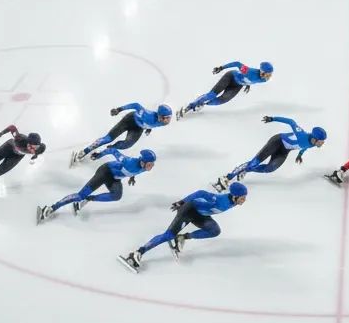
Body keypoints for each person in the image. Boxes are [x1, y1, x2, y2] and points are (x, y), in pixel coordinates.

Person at [117, 182, 247, 271]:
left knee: (215, 230)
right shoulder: (220, 200)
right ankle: (137, 253)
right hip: (188, 210)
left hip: (200, 215)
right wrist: (182, 202)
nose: (244, 200)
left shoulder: (233, 202)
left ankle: (182, 238)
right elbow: (200, 193)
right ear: (235, 196)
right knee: (168, 235)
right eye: (242, 198)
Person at [36, 148, 156, 223]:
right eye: (150, 164)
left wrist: (132, 177)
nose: (151, 167)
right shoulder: (129, 162)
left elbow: (136, 171)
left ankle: (89, 199)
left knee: (117, 196)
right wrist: (99, 155)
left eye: (152, 164)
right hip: (104, 172)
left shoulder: (144, 168)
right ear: (143, 161)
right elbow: (113, 150)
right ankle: (51, 208)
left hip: (115, 178)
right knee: (79, 195)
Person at [215, 115, 326, 191]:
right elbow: (291, 122)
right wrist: (272, 118)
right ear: (315, 138)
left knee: (270, 168)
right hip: (277, 142)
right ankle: (227, 177)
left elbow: (304, 147)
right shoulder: (302, 135)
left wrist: (300, 155)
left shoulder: (312, 144)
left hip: (284, 150)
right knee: (254, 162)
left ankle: (245, 170)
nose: (321, 144)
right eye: (321, 142)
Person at [69, 102, 172, 167]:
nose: (167, 120)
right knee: (108, 138)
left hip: (138, 128)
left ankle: (110, 148)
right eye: (165, 118)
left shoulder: (163, 123)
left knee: (127, 144)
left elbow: (153, 125)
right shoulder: (147, 115)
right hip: (129, 120)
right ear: (159, 115)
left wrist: (149, 129)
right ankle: (84, 151)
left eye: (169, 118)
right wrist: (119, 109)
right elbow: (136, 105)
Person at [177, 61, 274, 118]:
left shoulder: (264, 80)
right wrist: (221, 68)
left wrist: (248, 84)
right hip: (230, 77)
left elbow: (252, 80)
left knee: (222, 100)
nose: (269, 77)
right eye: (267, 74)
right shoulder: (250, 71)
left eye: (270, 74)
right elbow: (237, 64)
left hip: (237, 86)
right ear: (261, 71)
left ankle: (202, 103)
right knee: (212, 95)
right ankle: (189, 106)